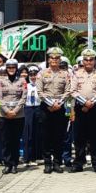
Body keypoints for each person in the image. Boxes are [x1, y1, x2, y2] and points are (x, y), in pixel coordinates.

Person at [37, 46, 71, 174]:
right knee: (46, 137)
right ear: (48, 59)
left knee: (59, 136)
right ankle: (47, 163)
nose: (54, 60)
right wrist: (51, 104)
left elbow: (68, 91)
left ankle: (57, 163)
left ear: (60, 59)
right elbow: (40, 91)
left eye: (57, 58)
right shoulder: (42, 73)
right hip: (46, 108)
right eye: (52, 57)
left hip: (60, 108)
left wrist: (58, 103)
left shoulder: (65, 74)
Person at [71, 48, 96, 172]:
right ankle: (79, 163)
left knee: (95, 137)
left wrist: (91, 102)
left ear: (94, 61)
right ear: (83, 61)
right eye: (86, 59)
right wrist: (84, 102)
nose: (88, 62)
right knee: (79, 137)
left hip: (94, 107)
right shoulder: (76, 74)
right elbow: (72, 91)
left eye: (91, 59)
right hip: (80, 108)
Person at [0, 58, 27, 174]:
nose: (11, 69)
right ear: (6, 69)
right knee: (6, 141)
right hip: (4, 115)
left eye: (13, 67)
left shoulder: (22, 81)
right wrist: (7, 111)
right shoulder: (1, 81)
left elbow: (23, 97)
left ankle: (14, 164)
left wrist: (15, 111)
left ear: (16, 68)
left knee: (15, 141)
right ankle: (7, 164)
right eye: (9, 67)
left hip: (18, 115)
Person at [21, 65, 41, 166]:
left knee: (36, 133)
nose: (33, 77)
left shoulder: (41, 86)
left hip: (38, 108)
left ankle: (35, 157)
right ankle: (26, 158)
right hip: (28, 109)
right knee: (27, 134)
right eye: (31, 75)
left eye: (35, 75)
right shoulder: (26, 86)